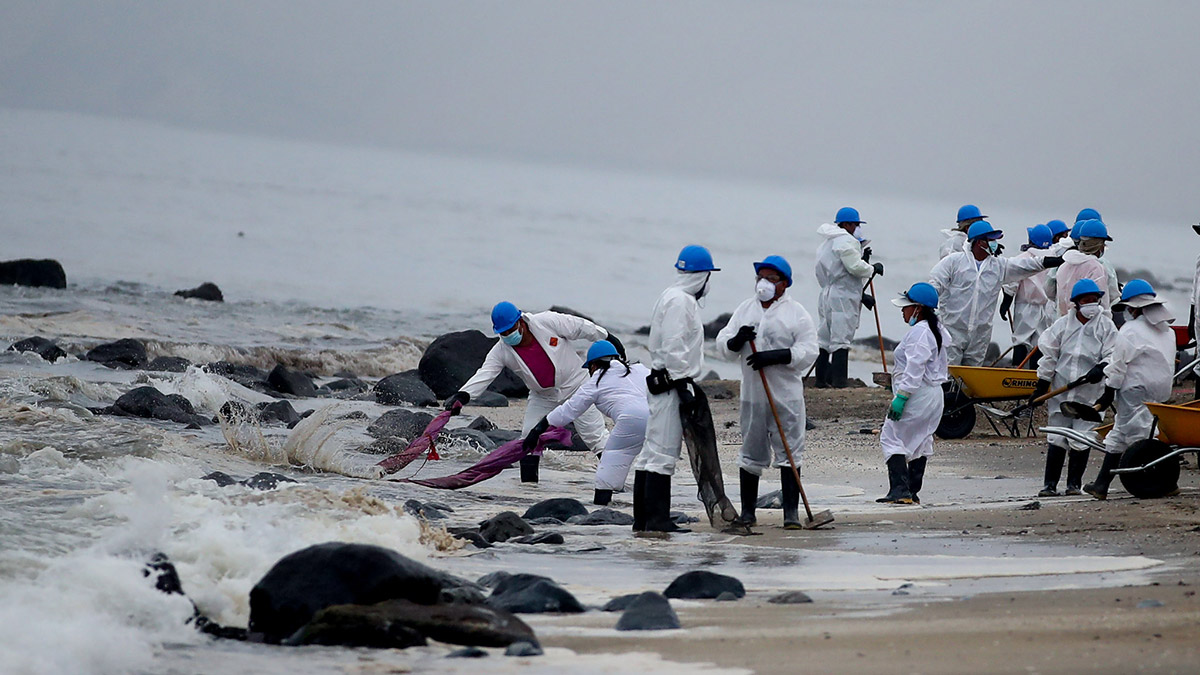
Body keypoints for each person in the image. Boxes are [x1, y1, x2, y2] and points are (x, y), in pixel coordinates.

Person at [444, 301, 625, 483]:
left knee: (595, 436)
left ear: (520, 321)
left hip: (577, 386)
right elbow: (485, 373)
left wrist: (608, 337)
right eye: (503, 332)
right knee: (529, 438)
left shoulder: (546, 321)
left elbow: (579, 327)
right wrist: (463, 395)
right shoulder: (501, 350)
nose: (507, 335)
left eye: (510, 329)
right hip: (542, 395)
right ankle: (529, 488)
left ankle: (616, 483)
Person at [716, 255, 819, 528]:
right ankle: (748, 512)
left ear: (784, 284)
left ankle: (791, 515)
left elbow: (809, 350)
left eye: (771, 279)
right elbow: (723, 342)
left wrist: (777, 356)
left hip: (786, 396)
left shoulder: (796, 313)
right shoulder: (745, 309)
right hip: (753, 395)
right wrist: (737, 340)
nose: (764, 283)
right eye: (760, 278)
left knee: (790, 450)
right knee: (751, 450)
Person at [631, 244, 719, 534]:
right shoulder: (681, 302)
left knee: (650, 452)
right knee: (663, 454)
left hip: (663, 381)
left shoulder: (671, 296)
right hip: (670, 384)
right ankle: (657, 520)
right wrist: (683, 383)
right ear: (702, 276)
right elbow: (673, 344)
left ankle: (642, 520)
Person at [526, 340, 650, 506]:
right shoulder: (640, 369)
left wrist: (537, 430)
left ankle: (600, 516)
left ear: (593, 365)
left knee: (608, 472)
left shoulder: (595, 382)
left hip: (630, 420)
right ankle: (653, 514)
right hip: (660, 421)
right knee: (651, 466)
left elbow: (567, 411)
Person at [1083, 280, 1176, 500]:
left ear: (1134, 308)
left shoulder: (1130, 330)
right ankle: (1102, 484)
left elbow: (1118, 365)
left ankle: (1163, 481)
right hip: (1161, 388)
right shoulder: (1168, 331)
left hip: (1136, 388)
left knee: (1132, 431)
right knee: (1135, 430)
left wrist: (1108, 392)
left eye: (1127, 308)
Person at [928, 221, 1063, 366]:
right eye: (991, 240)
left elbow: (1028, 265)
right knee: (948, 371)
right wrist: (926, 306)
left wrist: (1057, 261)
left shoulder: (998, 266)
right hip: (952, 329)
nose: (995, 243)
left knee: (971, 375)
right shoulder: (954, 262)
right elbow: (935, 284)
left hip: (980, 334)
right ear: (980, 242)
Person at [1031, 279, 1117, 496]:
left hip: (1090, 393)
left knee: (1081, 438)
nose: (1092, 304)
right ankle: (1049, 485)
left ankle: (1074, 485)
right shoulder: (1061, 326)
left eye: (1095, 300)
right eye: (1087, 300)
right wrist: (1042, 385)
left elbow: (1113, 354)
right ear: (1076, 303)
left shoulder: (1106, 325)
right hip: (1062, 390)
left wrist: (1102, 367)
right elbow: (1049, 355)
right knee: (1057, 435)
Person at [877, 282, 950, 505]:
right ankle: (912, 491)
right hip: (934, 396)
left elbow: (915, 367)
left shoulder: (920, 333)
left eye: (906, 306)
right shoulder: (936, 330)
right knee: (921, 440)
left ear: (918, 308)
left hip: (918, 395)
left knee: (891, 436)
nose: (902, 310)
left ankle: (900, 490)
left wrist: (901, 396)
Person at [815, 207, 884, 388]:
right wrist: (871, 268)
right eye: (854, 224)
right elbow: (854, 267)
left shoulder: (826, 243)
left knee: (824, 338)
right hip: (842, 297)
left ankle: (821, 380)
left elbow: (835, 272)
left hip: (826, 294)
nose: (856, 228)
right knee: (841, 340)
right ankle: (839, 382)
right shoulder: (846, 240)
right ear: (846, 224)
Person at [1000, 224, 1055, 367]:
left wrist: (1005, 303)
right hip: (1046, 306)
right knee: (1040, 342)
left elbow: (1011, 283)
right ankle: (1034, 375)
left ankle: (1017, 371)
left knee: (1021, 340)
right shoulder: (1054, 259)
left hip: (1026, 306)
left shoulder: (1023, 258)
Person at [1049, 219, 1116, 317]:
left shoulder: (1064, 265)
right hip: (1088, 323)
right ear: (1098, 244)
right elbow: (1102, 304)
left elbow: (1050, 291)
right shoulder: (1096, 267)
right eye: (1103, 244)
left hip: (1064, 322)